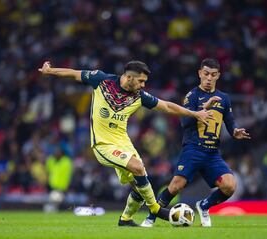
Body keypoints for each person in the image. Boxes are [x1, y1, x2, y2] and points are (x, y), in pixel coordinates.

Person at [38, 60, 212, 226]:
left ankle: (126, 219)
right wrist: (50, 71)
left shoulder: (139, 96)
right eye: (141, 81)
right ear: (129, 77)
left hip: (124, 144)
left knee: (139, 184)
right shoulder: (102, 80)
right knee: (138, 167)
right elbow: (74, 74)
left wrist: (195, 114)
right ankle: (156, 209)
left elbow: (166, 106)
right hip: (103, 145)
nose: (144, 85)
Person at [141, 58, 250, 227]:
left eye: (213, 75)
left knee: (230, 185)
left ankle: (204, 205)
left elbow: (229, 121)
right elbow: (185, 124)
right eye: (206, 74)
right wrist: (204, 109)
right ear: (200, 73)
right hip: (193, 149)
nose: (208, 78)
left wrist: (235, 130)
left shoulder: (224, 98)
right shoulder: (192, 96)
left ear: (218, 76)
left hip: (213, 153)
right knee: (176, 186)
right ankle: (151, 216)